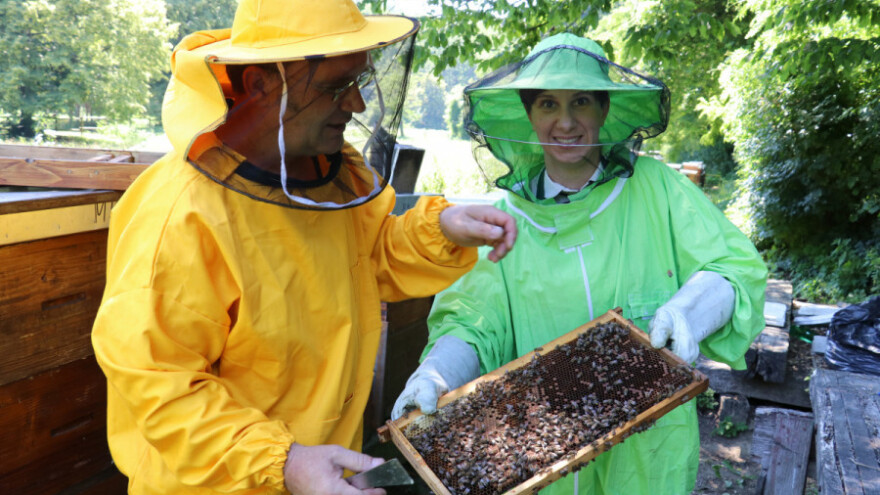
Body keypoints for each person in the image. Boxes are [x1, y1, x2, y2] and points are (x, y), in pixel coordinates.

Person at [90, 0, 517, 494]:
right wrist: (284, 462)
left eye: (359, 82)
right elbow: (159, 386)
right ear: (261, 84)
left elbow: (367, 257)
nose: (357, 104)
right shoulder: (180, 215)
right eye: (336, 85)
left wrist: (443, 228)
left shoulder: (321, 171)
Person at [392, 33, 767, 495]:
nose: (565, 122)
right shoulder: (502, 220)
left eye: (582, 102)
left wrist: (690, 309)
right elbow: (473, 324)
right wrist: (437, 373)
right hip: (539, 458)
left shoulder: (659, 189)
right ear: (529, 115)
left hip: (650, 459)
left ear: (604, 110)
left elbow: (732, 266)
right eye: (548, 104)